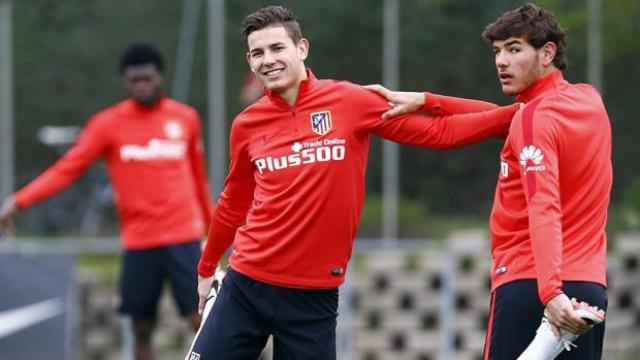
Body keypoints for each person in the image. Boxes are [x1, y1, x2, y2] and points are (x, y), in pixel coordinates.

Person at [185, 5, 521, 360]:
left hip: (313, 297)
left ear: (302, 49)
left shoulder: (349, 101)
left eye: (277, 48)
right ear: (250, 62)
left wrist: (516, 114)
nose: (268, 60)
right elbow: (233, 202)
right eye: (258, 53)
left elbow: (440, 133)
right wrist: (206, 268)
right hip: (246, 285)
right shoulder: (247, 124)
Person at [367, 3, 612, 359]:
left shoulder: (533, 121)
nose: (501, 61)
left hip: (535, 287)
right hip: (588, 290)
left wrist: (550, 293)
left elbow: (544, 205)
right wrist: (427, 100)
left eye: (514, 50)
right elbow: (479, 122)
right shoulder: (588, 99)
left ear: (548, 53)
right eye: (497, 52)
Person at [0, 43, 213, 360]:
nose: (141, 85)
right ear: (126, 81)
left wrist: (213, 234)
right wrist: (19, 200)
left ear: (159, 77)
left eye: (147, 78)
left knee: (202, 322)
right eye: (134, 80)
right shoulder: (108, 124)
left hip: (184, 238)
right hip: (140, 242)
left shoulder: (185, 119)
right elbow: (67, 169)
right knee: (141, 327)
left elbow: (198, 179)